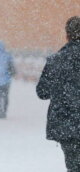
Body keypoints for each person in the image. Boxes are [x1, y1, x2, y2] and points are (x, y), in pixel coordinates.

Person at [36, 16, 80, 172]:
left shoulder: (56, 60)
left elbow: (42, 92)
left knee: (74, 166)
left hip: (66, 124)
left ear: (67, 34)